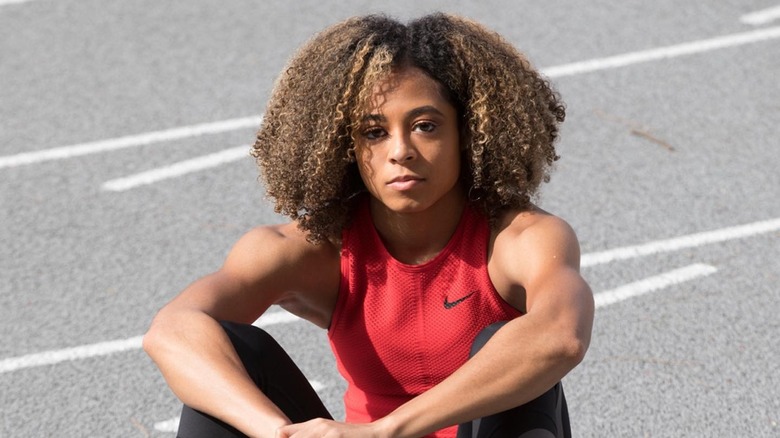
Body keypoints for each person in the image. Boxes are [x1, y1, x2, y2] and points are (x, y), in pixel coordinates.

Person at [143, 12, 594, 438]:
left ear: (469, 134)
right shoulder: (312, 250)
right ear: (346, 147)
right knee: (229, 357)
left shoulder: (521, 239)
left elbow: (560, 336)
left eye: (424, 126)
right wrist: (273, 431)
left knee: (518, 357)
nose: (400, 150)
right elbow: (173, 330)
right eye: (374, 132)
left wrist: (383, 431)